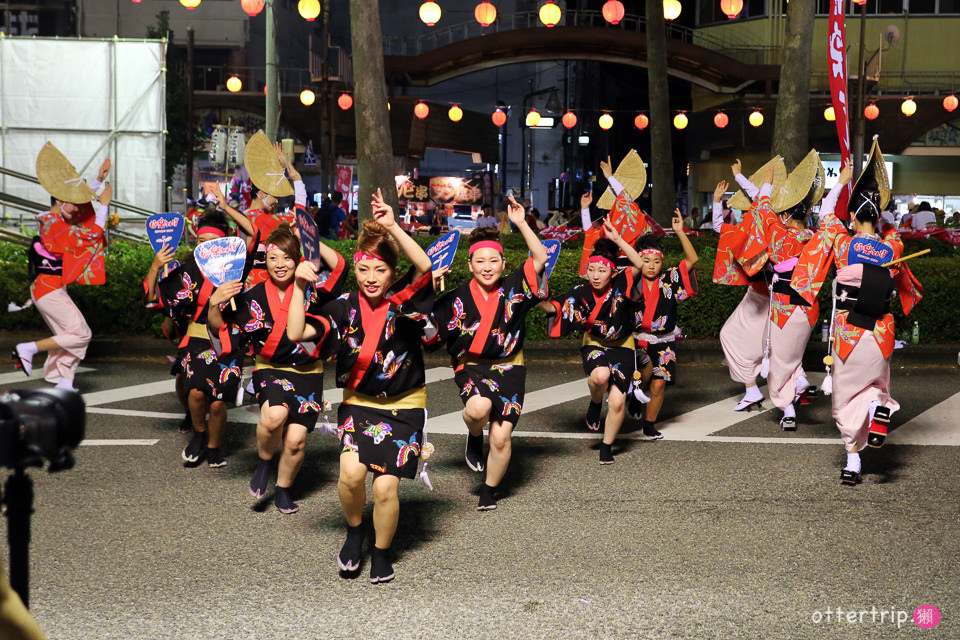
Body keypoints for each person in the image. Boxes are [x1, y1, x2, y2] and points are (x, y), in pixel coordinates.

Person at [287, 188, 435, 584]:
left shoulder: (404, 300)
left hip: (405, 408)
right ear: (355, 268)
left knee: (386, 488)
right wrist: (299, 287)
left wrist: (392, 227)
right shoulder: (342, 307)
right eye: (364, 269)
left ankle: (382, 552)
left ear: (391, 272)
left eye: (381, 270)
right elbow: (298, 331)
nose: (372, 278)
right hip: (358, 405)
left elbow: (424, 268)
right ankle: (355, 532)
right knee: (351, 476)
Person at [791, 147, 922, 485]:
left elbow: (825, 220)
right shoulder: (891, 248)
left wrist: (843, 183)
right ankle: (877, 407)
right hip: (880, 332)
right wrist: (882, 214)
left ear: (851, 218)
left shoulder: (842, 243)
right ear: (877, 217)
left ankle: (853, 462)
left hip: (849, 332)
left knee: (844, 397)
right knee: (875, 383)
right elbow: (892, 231)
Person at [207, 225, 345, 513]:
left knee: (295, 442)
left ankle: (283, 489)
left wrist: (312, 241)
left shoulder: (313, 289)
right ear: (264, 261)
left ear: (297, 259)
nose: (279, 265)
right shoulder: (251, 296)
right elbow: (226, 334)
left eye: (286, 258)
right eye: (272, 258)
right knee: (273, 418)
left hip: (308, 372)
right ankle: (265, 460)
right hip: (270, 369)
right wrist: (213, 305)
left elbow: (340, 266)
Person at [432, 195, 549, 510]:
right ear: (469, 265)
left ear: (504, 263)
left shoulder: (514, 287)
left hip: (511, 369)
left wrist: (521, 222)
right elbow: (428, 334)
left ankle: (488, 490)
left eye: (493, 260)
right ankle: (473, 434)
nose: (487, 267)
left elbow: (539, 258)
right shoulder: (455, 297)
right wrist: (429, 288)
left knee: (501, 438)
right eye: (480, 261)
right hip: (471, 368)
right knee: (479, 410)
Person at [539, 220, 648, 464]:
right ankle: (595, 402)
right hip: (595, 344)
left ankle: (606, 446)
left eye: (602, 270)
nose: (596, 275)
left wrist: (619, 239)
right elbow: (552, 308)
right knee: (599, 377)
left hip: (623, 347)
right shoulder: (580, 292)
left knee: (619, 401)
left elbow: (639, 264)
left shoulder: (624, 285)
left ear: (614, 271)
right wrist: (537, 293)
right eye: (591, 269)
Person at [739, 152, 825, 430]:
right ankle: (799, 384)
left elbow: (763, 210)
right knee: (791, 355)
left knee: (779, 360)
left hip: (785, 307)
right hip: (809, 307)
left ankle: (789, 404)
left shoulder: (781, 234)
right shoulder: (814, 237)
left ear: (786, 215)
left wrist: (763, 184)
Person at [13, 145, 111, 391]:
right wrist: (104, 206)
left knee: (67, 337)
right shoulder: (54, 225)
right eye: (73, 203)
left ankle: (64, 382)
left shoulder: (54, 220)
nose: (78, 208)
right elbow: (91, 235)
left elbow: (80, 206)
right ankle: (28, 349)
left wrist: (98, 181)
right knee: (81, 334)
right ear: (59, 200)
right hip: (49, 288)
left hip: (48, 288)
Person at [158, 210, 248, 468]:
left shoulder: (237, 268)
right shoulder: (187, 270)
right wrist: (158, 266)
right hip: (196, 337)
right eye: (200, 241)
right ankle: (199, 434)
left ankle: (214, 447)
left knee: (218, 402)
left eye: (212, 241)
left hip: (226, 339)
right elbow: (168, 301)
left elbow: (253, 235)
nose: (206, 246)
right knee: (196, 393)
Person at [715, 157, 784, 412]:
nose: (750, 213)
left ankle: (777, 390)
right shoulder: (748, 231)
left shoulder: (769, 228)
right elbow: (719, 226)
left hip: (771, 297)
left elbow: (762, 204)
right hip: (759, 296)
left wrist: (746, 180)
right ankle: (754, 389)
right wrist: (719, 198)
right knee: (738, 338)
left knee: (753, 341)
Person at [627, 209, 699, 439]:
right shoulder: (630, 279)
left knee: (658, 385)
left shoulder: (670, 279)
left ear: (662, 262)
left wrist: (679, 231)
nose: (651, 265)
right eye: (645, 260)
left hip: (664, 341)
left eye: (656, 261)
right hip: (637, 340)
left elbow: (692, 260)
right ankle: (634, 396)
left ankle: (649, 424)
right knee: (640, 378)